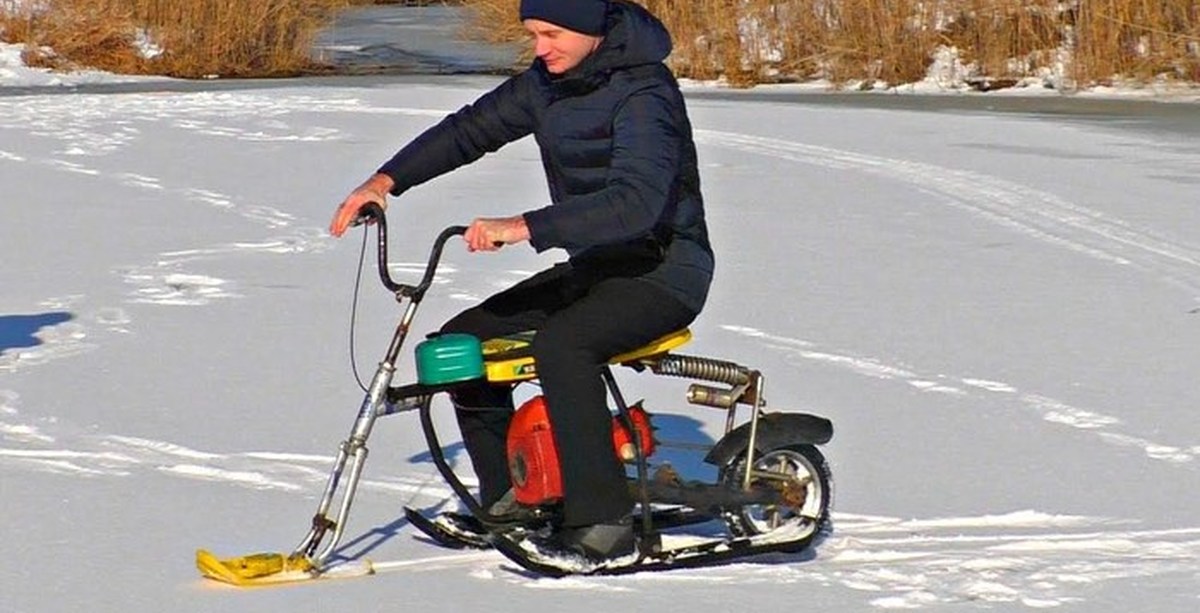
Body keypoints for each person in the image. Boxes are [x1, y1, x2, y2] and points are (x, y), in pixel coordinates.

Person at [329, 0, 713, 561]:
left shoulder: (645, 93)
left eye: (552, 33)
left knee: (565, 346)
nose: (540, 48)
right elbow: (470, 131)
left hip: (665, 271)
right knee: (461, 344)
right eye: (533, 34)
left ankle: (604, 523)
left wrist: (525, 227)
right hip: (597, 268)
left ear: (590, 30)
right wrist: (384, 182)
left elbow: (637, 204)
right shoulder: (545, 84)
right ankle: (511, 501)